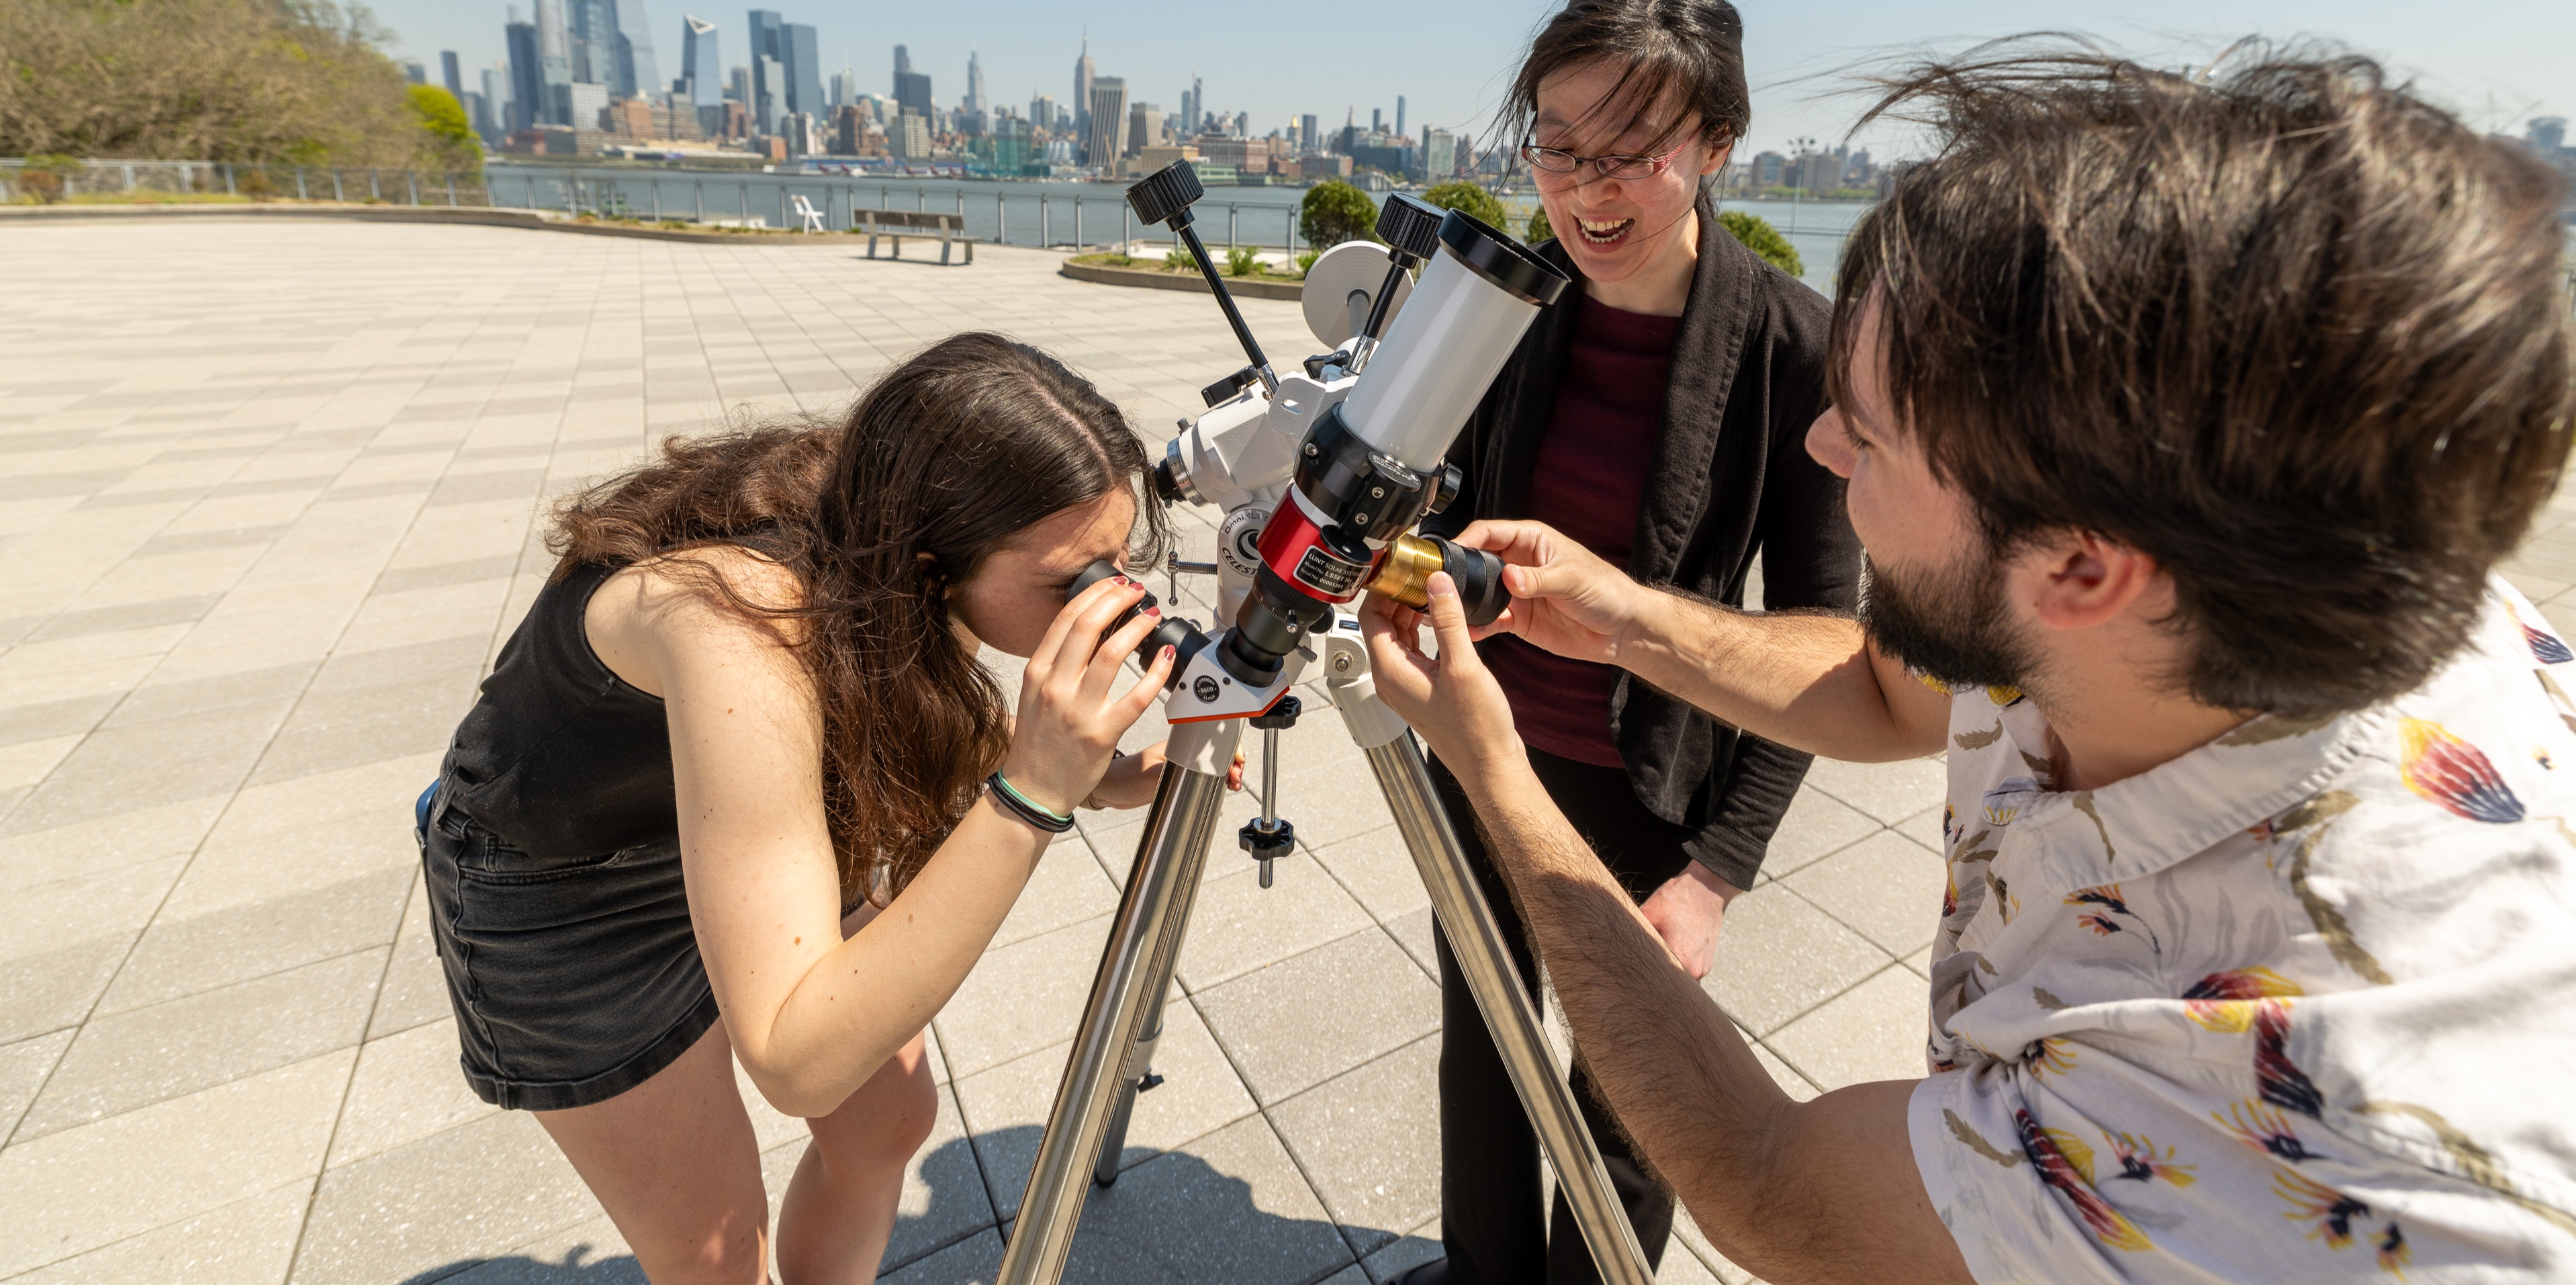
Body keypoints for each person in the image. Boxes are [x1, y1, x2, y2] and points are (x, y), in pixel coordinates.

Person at [1367, 44, 2576, 1284]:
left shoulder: (2274, 1121)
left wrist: (1495, 775)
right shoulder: (2275, 556)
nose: (1827, 448)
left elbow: (1773, 1178)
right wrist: (1622, 614)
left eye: (1874, 434)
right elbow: (1889, 687)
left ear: (2082, 567)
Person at [416, 332, 1240, 1284]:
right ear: (934, 563)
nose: (1118, 604)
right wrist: (1034, 793)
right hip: (568, 885)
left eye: (1118, 562)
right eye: (1071, 582)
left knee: (891, 1122)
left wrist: (1101, 773)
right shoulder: (739, 622)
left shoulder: (892, 525)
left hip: (755, 813)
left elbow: (910, 700)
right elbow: (794, 1056)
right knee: (715, 1254)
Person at [1405, 3, 1859, 1280]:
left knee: (1632, 1099)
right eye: (1557, 149)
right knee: (1482, 1043)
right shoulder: (1509, 313)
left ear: (1716, 142)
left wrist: (1715, 873)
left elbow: (1823, 637)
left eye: (1631, 151)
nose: (1588, 192)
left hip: (1655, 789)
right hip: (1482, 752)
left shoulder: (1794, 346)